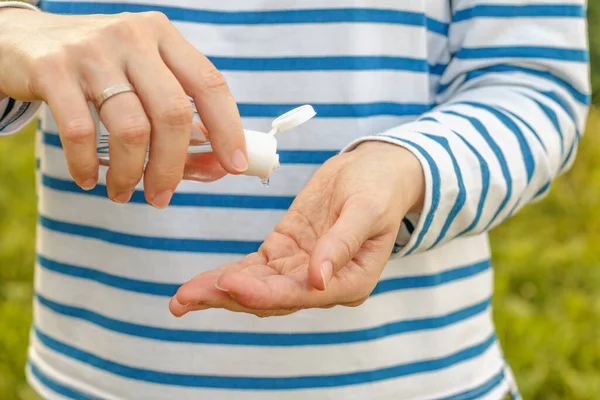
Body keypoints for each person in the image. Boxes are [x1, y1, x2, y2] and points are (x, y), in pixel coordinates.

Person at [0, 0, 590, 399]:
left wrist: (408, 169)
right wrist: (17, 33)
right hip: (105, 376)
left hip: (414, 378)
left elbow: (533, 83)